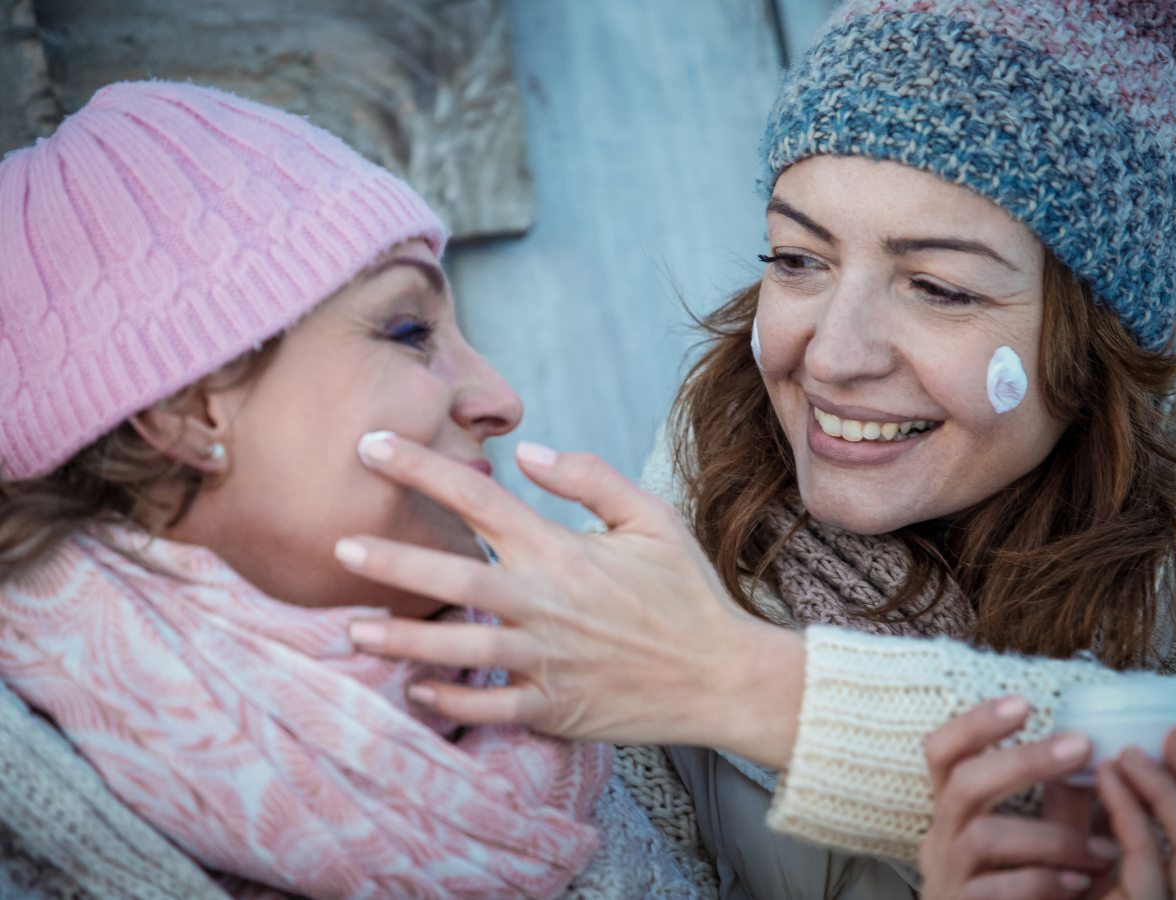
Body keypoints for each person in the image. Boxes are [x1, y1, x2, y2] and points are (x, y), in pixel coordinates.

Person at [332, 1, 1176, 897]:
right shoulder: (685, 539)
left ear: (1102, 338)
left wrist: (735, 682)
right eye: (795, 259)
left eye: (938, 287)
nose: (830, 355)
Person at [0, 81, 707, 900]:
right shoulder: (32, 814)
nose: (499, 400)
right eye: (409, 331)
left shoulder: (588, 696)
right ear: (186, 411)